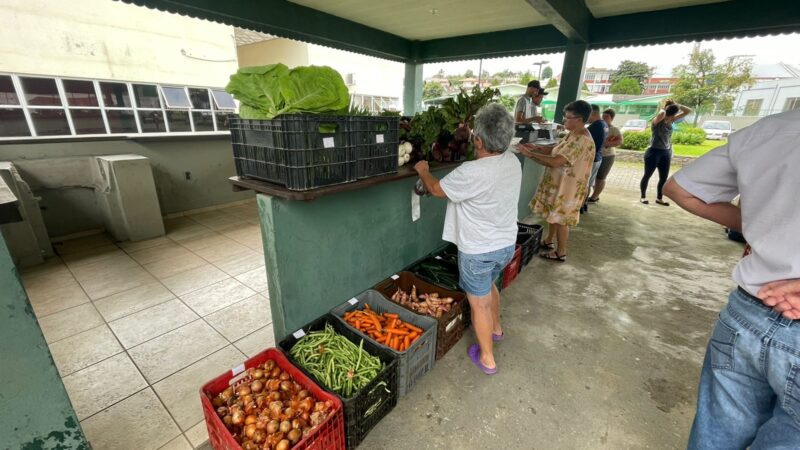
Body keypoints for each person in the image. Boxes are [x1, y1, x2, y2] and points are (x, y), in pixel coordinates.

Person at [663, 108, 800, 448]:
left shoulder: (772, 128)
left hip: (746, 311)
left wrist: (761, 228)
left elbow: (679, 189)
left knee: (716, 434)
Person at [414, 103, 521, 375]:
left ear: (478, 140)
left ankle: (487, 358)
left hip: (479, 251)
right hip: (506, 244)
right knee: (491, 287)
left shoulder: (471, 172)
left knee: (478, 303)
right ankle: (496, 330)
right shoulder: (512, 161)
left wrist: (423, 170)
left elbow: (437, 190)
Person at [517, 100, 594, 262]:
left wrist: (528, 154)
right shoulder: (573, 134)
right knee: (553, 215)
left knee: (561, 220)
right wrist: (535, 148)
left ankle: (561, 252)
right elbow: (555, 150)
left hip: (568, 188)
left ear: (579, 119)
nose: (564, 120)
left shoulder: (582, 140)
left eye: (567, 117)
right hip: (559, 185)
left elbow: (556, 161)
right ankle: (549, 240)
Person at [640, 101, 691, 205]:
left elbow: (688, 111)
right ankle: (643, 197)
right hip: (653, 152)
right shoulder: (657, 120)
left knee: (663, 177)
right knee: (647, 175)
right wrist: (664, 108)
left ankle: (659, 198)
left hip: (665, 153)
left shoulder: (672, 120)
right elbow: (661, 114)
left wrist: (677, 105)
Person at [588, 108, 623, 202]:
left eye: (606, 116)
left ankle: (594, 196)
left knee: (601, 177)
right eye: (603, 116)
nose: (604, 118)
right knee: (592, 176)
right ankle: (593, 194)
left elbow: (620, 141)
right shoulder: (599, 125)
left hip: (607, 156)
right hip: (596, 155)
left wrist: (607, 144)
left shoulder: (614, 129)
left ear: (612, 118)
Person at [582, 104, 607, 212]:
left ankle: (582, 205)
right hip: (598, 157)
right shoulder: (604, 124)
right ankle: (584, 204)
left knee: (585, 184)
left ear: (592, 113)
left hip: (592, 158)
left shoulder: (596, 126)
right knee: (588, 183)